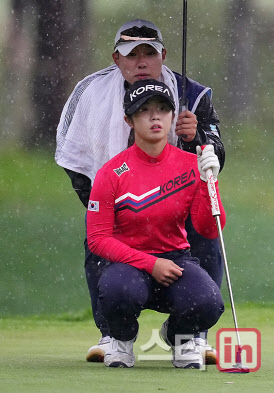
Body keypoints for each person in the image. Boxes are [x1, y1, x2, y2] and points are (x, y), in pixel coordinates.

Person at [55, 19, 225, 363]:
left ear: (163, 55)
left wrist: (197, 138)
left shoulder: (193, 95)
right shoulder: (90, 91)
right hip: (118, 199)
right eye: (131, 55)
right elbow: (72, 155)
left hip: (180, 202)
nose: (141, 62)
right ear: (116, 60)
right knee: (99, 241)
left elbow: (216, 157)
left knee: (206, 237)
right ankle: (112, 334)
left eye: (149, 53)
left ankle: (191, 336)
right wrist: (101, 205)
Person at [86, 80, 225, 368]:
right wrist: (150, 264)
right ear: (129, 120)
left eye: (163, 109)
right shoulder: (111, 172)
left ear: (173, 117)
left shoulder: (191, 164)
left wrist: (209, 182)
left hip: (175, 261)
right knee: (117, 290)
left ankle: (180, 338)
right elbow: (98, 239)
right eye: (144, 110)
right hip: (129, 264)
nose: (154, 117)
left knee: (209, 302)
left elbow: (210, 229)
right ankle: (121, 340)